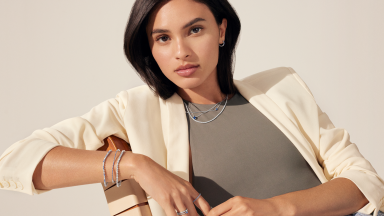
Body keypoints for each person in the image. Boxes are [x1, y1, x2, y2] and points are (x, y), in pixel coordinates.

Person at [0, 0, 383, 216]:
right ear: (149, 49)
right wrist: (136, 165)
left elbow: (366, 184)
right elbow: (15, 161)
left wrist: (275, 209)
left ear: (220, 30)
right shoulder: (133, 110)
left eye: (194, 30)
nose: (180, 51)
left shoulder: (281, 87)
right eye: (163, 38)